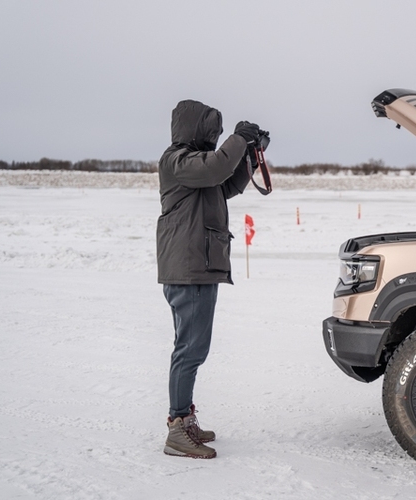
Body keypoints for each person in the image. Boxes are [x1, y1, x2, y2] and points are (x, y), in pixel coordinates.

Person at [156, 99, 262, 459]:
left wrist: (248, 153)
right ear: (194, 127)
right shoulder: (177, 160)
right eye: (212, 129)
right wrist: (237, 139)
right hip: (189, 269)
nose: (216, 135)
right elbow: (215, 169)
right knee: (191, 349)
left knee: (192, 348)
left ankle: (184, 419)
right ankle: (177, 429)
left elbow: (225, 184)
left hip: (198, 265)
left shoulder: (196, 167)